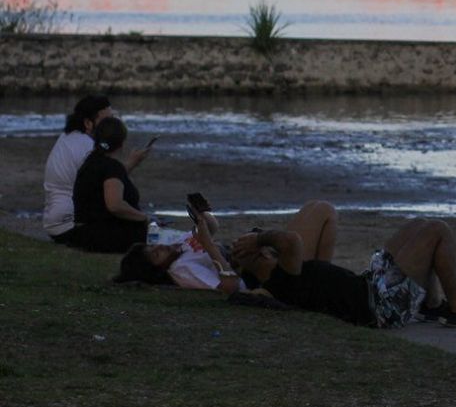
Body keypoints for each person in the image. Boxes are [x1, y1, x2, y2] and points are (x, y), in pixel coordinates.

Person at [229, 217, 456, 328]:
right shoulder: (281, 277)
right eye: (261, 243)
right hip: (379, 306)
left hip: (371, 286)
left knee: (419, 225)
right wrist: (260, 238)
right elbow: (291, 240)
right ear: (262, 253)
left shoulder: (283, 277)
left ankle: (433, 305)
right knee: (438, 230)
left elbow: (316, 225)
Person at [115, 199, 338, 294]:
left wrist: (203, 215)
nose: (162, 249)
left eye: (155, 247)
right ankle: (312, 287)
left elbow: (211, 227)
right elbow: (232, 287)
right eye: (156, 254)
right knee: (323, 211)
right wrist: (210, 246)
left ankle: (316, 282)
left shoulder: (179, 247)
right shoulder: (182, 269)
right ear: (158, 269)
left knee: (316, 207)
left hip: (263, 258)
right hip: (263, 272)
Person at [68, 116, 156, 253]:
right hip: (104, 236)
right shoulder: (111, 167)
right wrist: (143, 217)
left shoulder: (91, 162)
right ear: (121, 143)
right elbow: (115, 205)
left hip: (85, 232)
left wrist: (132, 163)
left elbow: (110, 178)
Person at [42, 95, 114, 244]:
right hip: (69, 225)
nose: (111, 125)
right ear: (88, 123)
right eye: (106, 121)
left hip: (54, 222)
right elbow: (109, 189)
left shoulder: (67, 137)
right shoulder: (87, 148)